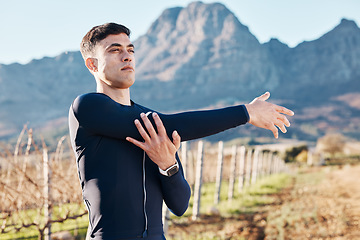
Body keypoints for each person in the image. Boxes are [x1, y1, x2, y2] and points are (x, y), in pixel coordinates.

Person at [68, 22, 294, 240]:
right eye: (115, 50)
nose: (127, 56)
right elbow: (172, 126)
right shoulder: (87, 107)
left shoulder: (155, 123)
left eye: (130, 50)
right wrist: (246, 113)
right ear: (92, 65)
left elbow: (180, 205)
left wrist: (168, 166)